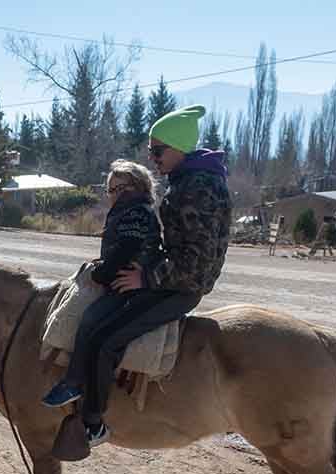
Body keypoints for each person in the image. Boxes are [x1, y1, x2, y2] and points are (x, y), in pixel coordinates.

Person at [43, 105, 231, 447]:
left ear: (180, 149)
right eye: (150, 151)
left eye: (158, 151)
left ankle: (93, 422)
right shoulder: (189, 181)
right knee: (99, 319)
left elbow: (198, 262)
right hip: (170, 280)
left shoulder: (197, 188)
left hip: (179, 289)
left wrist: (147, 278)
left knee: (108, 338)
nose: (153, 157)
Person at [41, 161, 166, 445]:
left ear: (137, 187)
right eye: (110, 190)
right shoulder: (128, 210)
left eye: (120, 188)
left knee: (91, 321)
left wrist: (101, 273)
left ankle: (76, 386)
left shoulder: (136, 211)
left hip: (130, 285)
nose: (113, 194)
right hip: (119, 276)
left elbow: (127, 248)